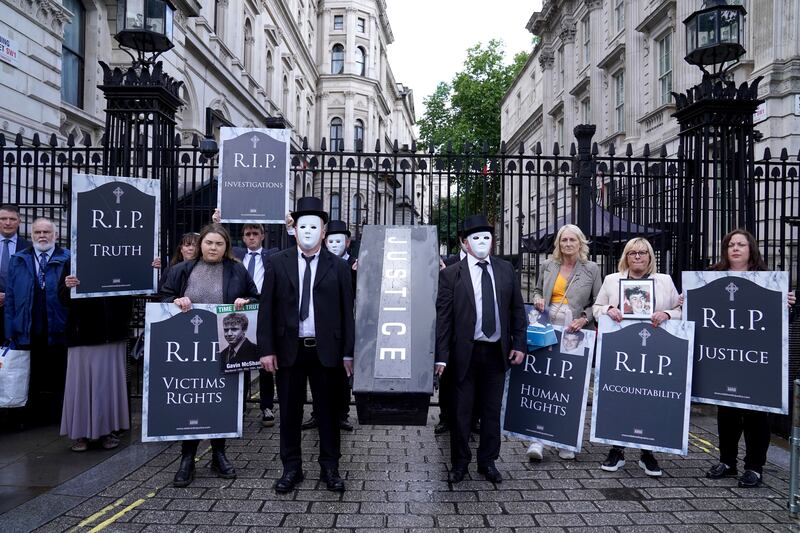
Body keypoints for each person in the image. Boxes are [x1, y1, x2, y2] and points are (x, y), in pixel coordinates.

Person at [257, 197, 355, 494]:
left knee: (328, 412)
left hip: (327, 351)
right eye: (303, 226)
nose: (309, 231)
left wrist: (348, 353)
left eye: (315, 226)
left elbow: (347, 312)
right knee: (289, 412)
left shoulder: (338, 266)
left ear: (324, 231)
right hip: (290, 350)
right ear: (295, 230)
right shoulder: (277, 262)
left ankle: (330, 467)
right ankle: (292, 468)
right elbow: (267, 309)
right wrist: (266, 349)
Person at [160, 223, 259, 487]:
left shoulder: (237, 270)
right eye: (208, 243)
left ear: (226, 247)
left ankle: (219, 454)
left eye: (219, 244)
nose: (213, 248)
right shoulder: (182, 270)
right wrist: (174, 302)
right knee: (193, 400)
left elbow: (255, 297)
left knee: (221, 399)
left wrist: (246, 302)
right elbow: (163, 297)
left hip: (224, 347)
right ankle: (187, 457)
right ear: (200, 244)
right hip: (191, 349)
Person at [435, 214, 526, 484]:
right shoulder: (451, 275)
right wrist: (441, 357)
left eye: (487, 237)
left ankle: (488, 461)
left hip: (496, 353)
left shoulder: (505, 270)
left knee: (491, 411)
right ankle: (460, 463)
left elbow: (516, 310)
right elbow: (443, 319)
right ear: (465, 243)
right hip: (464, 354)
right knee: (461, 413)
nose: (483, 242)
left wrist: (519, 343)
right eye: (476, 238)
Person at [704, 229, 796, 488]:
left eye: (741, 244)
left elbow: (783, 323)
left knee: (756, 414)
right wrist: (686, 300)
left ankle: (755, 466)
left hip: (756, 359)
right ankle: (728, 461)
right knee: (727, 412)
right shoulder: (712, 276)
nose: (735, 248)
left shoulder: (768, 279)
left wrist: (788, 304)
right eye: (731, 244)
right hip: (725, 357)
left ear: (750, 249)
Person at [593, 237, 681, 477]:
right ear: (626, 257)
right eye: (633, 253)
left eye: (643, 252)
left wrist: (666, 313)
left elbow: (680, 309)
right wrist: (609, 310)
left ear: (650, 257)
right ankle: (617, 449)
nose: (638, 256)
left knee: (649, 398)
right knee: (620, 396)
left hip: (653, 350)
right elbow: (596, 307)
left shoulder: (663, 281)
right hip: (620, 349)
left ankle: (647, 452)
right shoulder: (613, 280)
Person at [527, 223, 601, 461]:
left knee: (570, 387)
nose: (568, 244)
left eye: (572, 240)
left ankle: (565, 439)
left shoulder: (592, 269)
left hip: (574, 331)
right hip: (547, 327)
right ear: (558, 243)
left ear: (581, 243)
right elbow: (537, 291)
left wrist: (584, 318)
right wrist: (538, 300)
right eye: (563, 240)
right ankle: (537, 439)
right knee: (544, 383)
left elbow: (597, 302)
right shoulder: (548, 265)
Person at [58, 270, 132, 452]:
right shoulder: (75, 258)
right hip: (82, 333)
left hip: (112, 333)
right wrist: (67, 287)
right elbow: (61, 298)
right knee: (80, 386)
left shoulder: (122, 256)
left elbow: (137, 288)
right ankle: (80, 433)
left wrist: (151, 269)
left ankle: (107, 431)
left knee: (107, 386)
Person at [5, 218, 70, 423]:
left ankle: (61, 417)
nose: (42, 236)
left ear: (55, 235)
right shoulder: (18, 259)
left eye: (46, 232)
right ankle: (29, 417)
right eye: (37, 232)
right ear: (31, 235)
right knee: (29, 373)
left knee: (60, 373)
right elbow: (11, 299)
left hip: (59, 326)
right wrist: (10, 330)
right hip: (28, 326)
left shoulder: (68, 257)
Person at [300, 219, 355, 432]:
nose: (333, 245)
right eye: (330, 241)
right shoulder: (316, 261)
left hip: (341, 327)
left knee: (341, 376)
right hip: (318, 328)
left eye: (338, 241)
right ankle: (317, 413)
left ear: (347, 243)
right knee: (318, 379)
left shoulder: (351, 263)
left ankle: (341, 413)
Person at [232, 223, 279, 427]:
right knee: (239, 359)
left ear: (262, 236)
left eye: (255, 234)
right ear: (243, 237)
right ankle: (239, 406)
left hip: (264, 309)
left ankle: (267, 406)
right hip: (240, 308)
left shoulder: (273, 256)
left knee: (264, 360)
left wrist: (289, 228)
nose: (251, 237)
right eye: (247, 234)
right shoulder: (235, 255)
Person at [0, 205, 31, 341]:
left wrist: (9, 296)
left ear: (19, 222)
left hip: (18, 311)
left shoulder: (30, 248)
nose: (8, 222)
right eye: (3, 218)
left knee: (14, 357)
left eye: (12, 219)